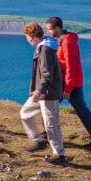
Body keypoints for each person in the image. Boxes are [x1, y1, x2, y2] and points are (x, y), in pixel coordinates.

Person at [48, 16, 91, 148]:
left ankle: (46, 134)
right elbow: (65, 63)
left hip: (70, 83)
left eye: (50, 29)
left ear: (57, 28)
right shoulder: (63, 40)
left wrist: (67, 88)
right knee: (78, 109)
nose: (49, 32)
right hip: (70, 82)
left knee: (51, 105)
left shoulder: (67, 42)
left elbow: (71, 66)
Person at [20, 22, 66, 164]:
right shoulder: (44, 47)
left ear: (32, 36)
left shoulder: (45, 49)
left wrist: (39, 91)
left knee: (51, 124)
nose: (27, 40)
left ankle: (59, 155)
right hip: (41, 92)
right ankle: (39, 140)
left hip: (48, 93)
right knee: (25, 113)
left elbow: (46, 74)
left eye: (27, 37)